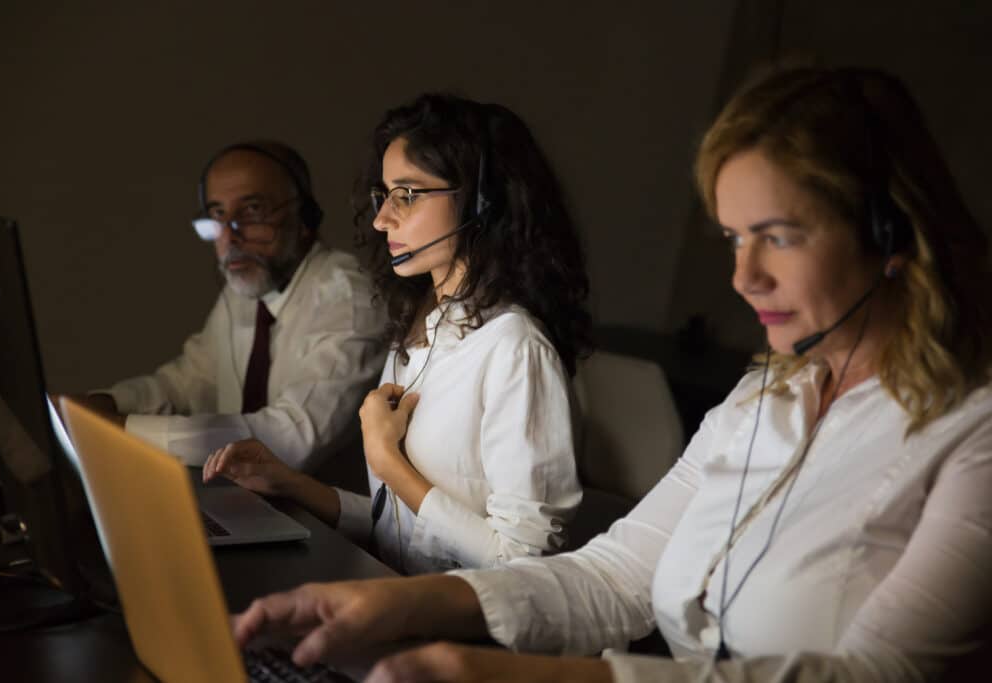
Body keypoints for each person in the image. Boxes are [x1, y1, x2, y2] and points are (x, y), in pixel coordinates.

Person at [228, 67, 992, 681]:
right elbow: (617, 572)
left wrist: (503, 671)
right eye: (731, 239)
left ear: (891, 231)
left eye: (778, 237)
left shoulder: (973, 429)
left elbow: (878, 670)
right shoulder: (769, 393)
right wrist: (387, 606)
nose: (742, 277)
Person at [203, 94, 591, 574]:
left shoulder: (514, 349)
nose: (383, 218)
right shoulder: (419, 330)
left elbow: (524, 562)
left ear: (481, 202)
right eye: (383, 196)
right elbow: (406, 531)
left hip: (465, 634)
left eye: (407, 194)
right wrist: (289, 484)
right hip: (397, 596)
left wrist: (388, 462)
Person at [72, 141, 387, 475]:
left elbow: (289, 438)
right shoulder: (246, 289)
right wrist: (105, 403)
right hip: (254, 502)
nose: (229, 238)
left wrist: (120, 431)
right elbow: (187, 383)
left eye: (251, 212)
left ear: (305, 219)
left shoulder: (350, 300)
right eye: (217, 216)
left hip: (325, 522)